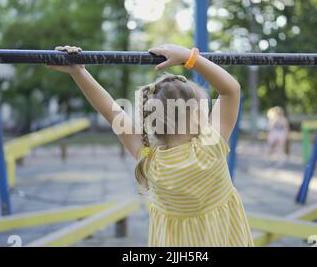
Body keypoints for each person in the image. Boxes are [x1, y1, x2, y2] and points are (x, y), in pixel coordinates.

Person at [47, 44, 253, 247]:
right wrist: (188, 57)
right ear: (198, 117)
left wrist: (78, 71)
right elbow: (231, 90)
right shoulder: (210, 148)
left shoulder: (150, 160)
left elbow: (111, 112)